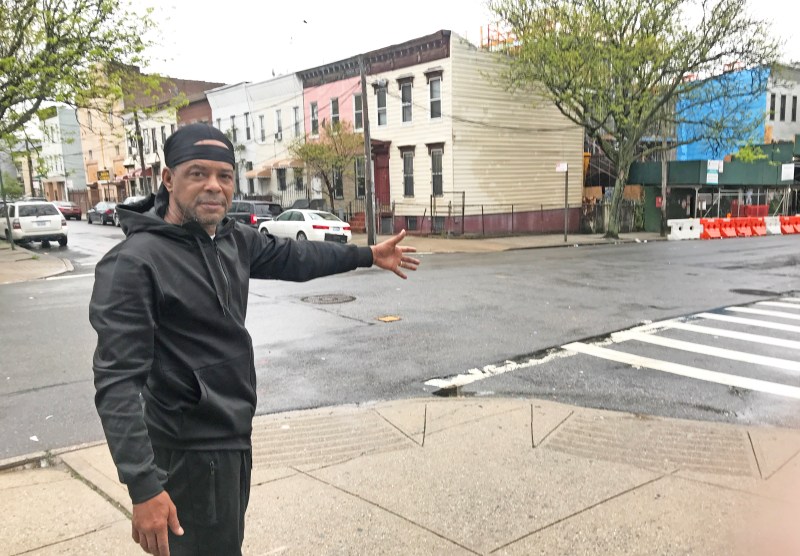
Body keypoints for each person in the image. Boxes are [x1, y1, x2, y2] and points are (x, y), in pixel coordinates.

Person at [89, 123, 420, 556]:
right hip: (186, 452)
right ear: (168, 179)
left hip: (231, 440)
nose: (214, 186)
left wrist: (366, 255)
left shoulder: (230, 239)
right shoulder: (134, 264)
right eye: (197, 173)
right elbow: (117, 385)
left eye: (224, 176)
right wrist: (144, 485)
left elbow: (295, 256)